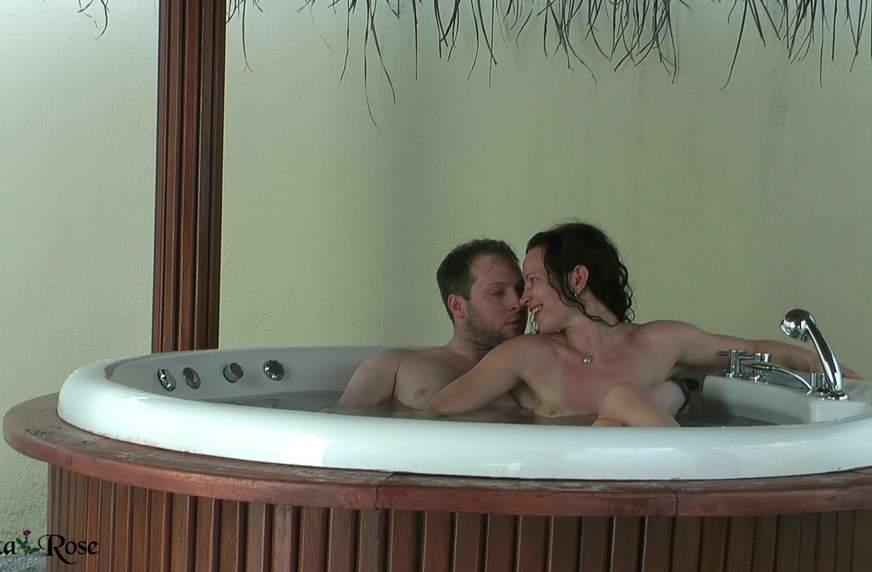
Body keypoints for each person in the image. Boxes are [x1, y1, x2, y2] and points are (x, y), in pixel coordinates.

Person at [429, 222, 862, 427]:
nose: (525, 299)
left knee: (629, 400)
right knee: (627, 400)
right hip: (571, 504)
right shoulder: (524, 356)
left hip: (649, 503)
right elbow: (437, 413)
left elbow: (750, 351)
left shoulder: (662, 342)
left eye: (534, 282)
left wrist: (823, 367)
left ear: (577, 279)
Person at [339, 239, 528, 410]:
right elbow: (344, 429)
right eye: (497, 293)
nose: (519, 302)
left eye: (521, 289)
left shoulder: (534, 371)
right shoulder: (393, 366)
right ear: (457, 306)